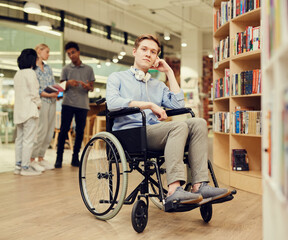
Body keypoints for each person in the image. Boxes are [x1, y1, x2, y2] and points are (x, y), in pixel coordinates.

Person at [106, 34, 230, 207]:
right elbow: (112, 104)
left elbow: (178, 103)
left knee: (199, 123)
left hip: (153, 132)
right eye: (144, 49)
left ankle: (199, 185)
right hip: (129, 134)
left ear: (157, 57)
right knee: (178, 127)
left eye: (153, 52)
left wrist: (169, 72)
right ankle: (173, 190)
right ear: (134, 52)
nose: (148, 54)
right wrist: (148, 105)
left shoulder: (157, 85)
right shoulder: (117, 78)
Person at [55, 41, 95, 168]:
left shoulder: (89, 69)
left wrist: (87, 86)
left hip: (82, 105)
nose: (71, 55)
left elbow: (92, 88)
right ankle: (59, 158)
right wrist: (68, 82)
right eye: (68, 54)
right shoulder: (65, 69)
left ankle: (75, 157)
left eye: (73, 52)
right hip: (68, 104)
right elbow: (60, 87)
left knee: (79, 132)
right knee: (64, 130)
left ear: (78, 52)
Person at [13, 49, 42, 176]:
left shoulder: (17, 74)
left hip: (19, 112)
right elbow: (34, 93)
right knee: (28, 140)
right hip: (30, 111)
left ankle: (18, 166)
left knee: (19, 139)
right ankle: (26, 167)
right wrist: (39, 104)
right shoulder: (31, 73)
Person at [29, 43, 58, 171]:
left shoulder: (48, 68)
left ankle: (41, 157)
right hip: (41, 103)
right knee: (41, 130)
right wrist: (48, 93)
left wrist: (57, 93)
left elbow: (52, 84)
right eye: (47, 51)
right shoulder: (32, 69)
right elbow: (35, 88)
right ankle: (32, 159)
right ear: (39, 51)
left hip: (52, 102)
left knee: (49, 131)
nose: (48, 54)